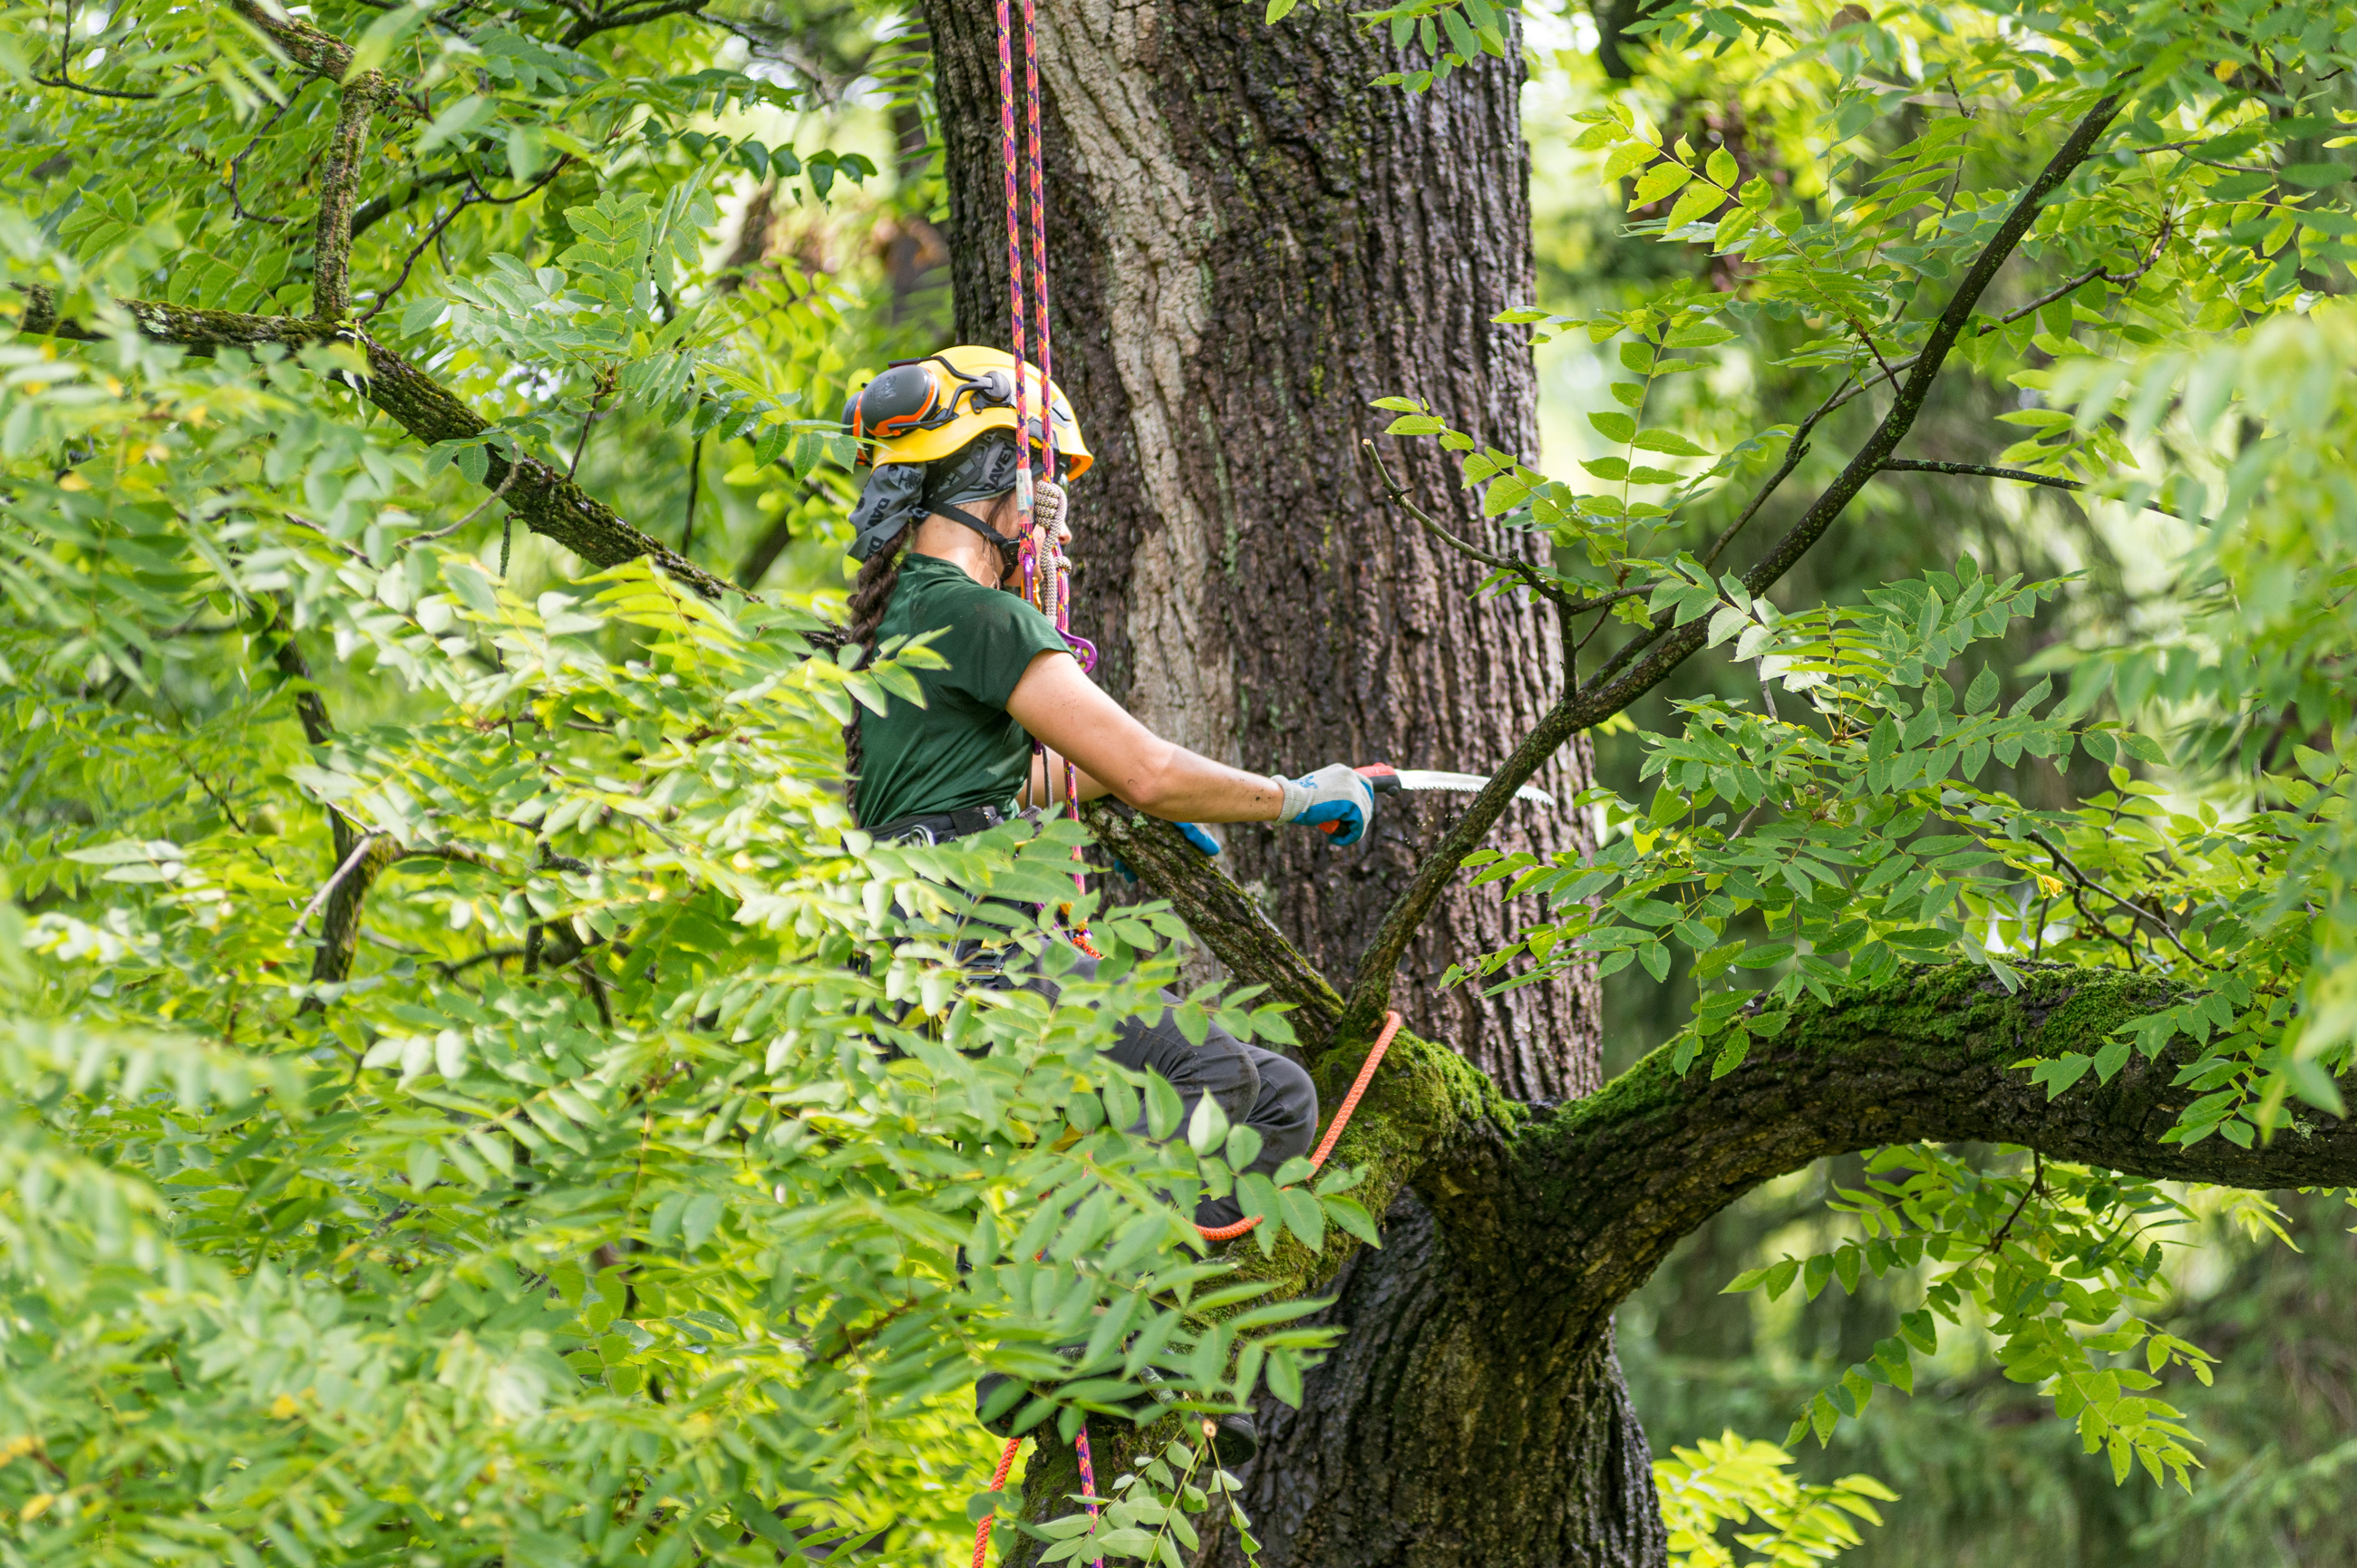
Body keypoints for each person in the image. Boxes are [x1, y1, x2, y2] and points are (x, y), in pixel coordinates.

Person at [839, 346, 1378, 1460]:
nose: (1063, 525)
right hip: (976, 948)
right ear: (992, 482)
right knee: (1224, 1083)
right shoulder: (982, 617)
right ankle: (1069, 1354)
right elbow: (1141, 762)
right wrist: (1289, 796)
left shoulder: (911, 615)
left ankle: (1151, 1352)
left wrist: (1119, 788)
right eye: (1049, 490)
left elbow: (991, 776)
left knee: (1271, 1090)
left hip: (930, 952)